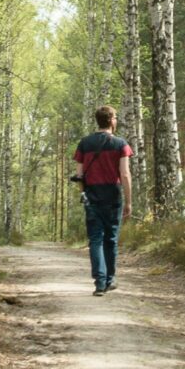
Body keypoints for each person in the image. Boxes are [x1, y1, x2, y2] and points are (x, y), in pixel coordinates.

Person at [73, 106, 131, 295]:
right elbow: (125, 174)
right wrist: (129, 201)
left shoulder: (84, 143)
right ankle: (109, 279)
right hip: (113, 196)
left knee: (95, 239)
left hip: (92, 196)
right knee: (111, 239)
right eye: (116, 117)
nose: (116, 120)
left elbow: (79, 175)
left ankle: (99, 282)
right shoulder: (120, 144)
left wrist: (83, 193)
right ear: (111, 120)